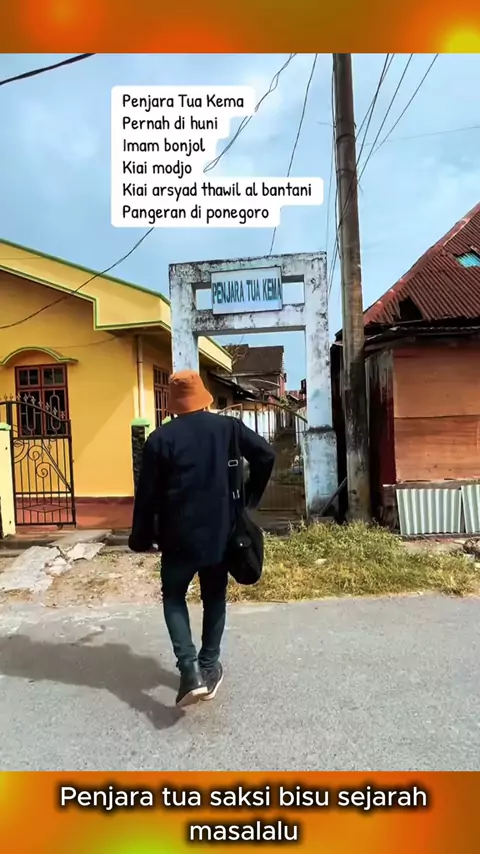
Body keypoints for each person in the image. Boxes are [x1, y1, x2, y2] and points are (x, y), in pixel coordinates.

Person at [129, 369, 275, 707]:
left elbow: (146, 497)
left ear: (174, 403)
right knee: (214, 597)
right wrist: (249, 499)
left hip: (176, 538)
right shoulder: (228, 429)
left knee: (174, 597)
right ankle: (209, 665)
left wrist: (140, 538)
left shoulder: (159, 440)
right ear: (204, 398)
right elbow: (266, 455)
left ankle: (190, 670)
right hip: (221, 535)